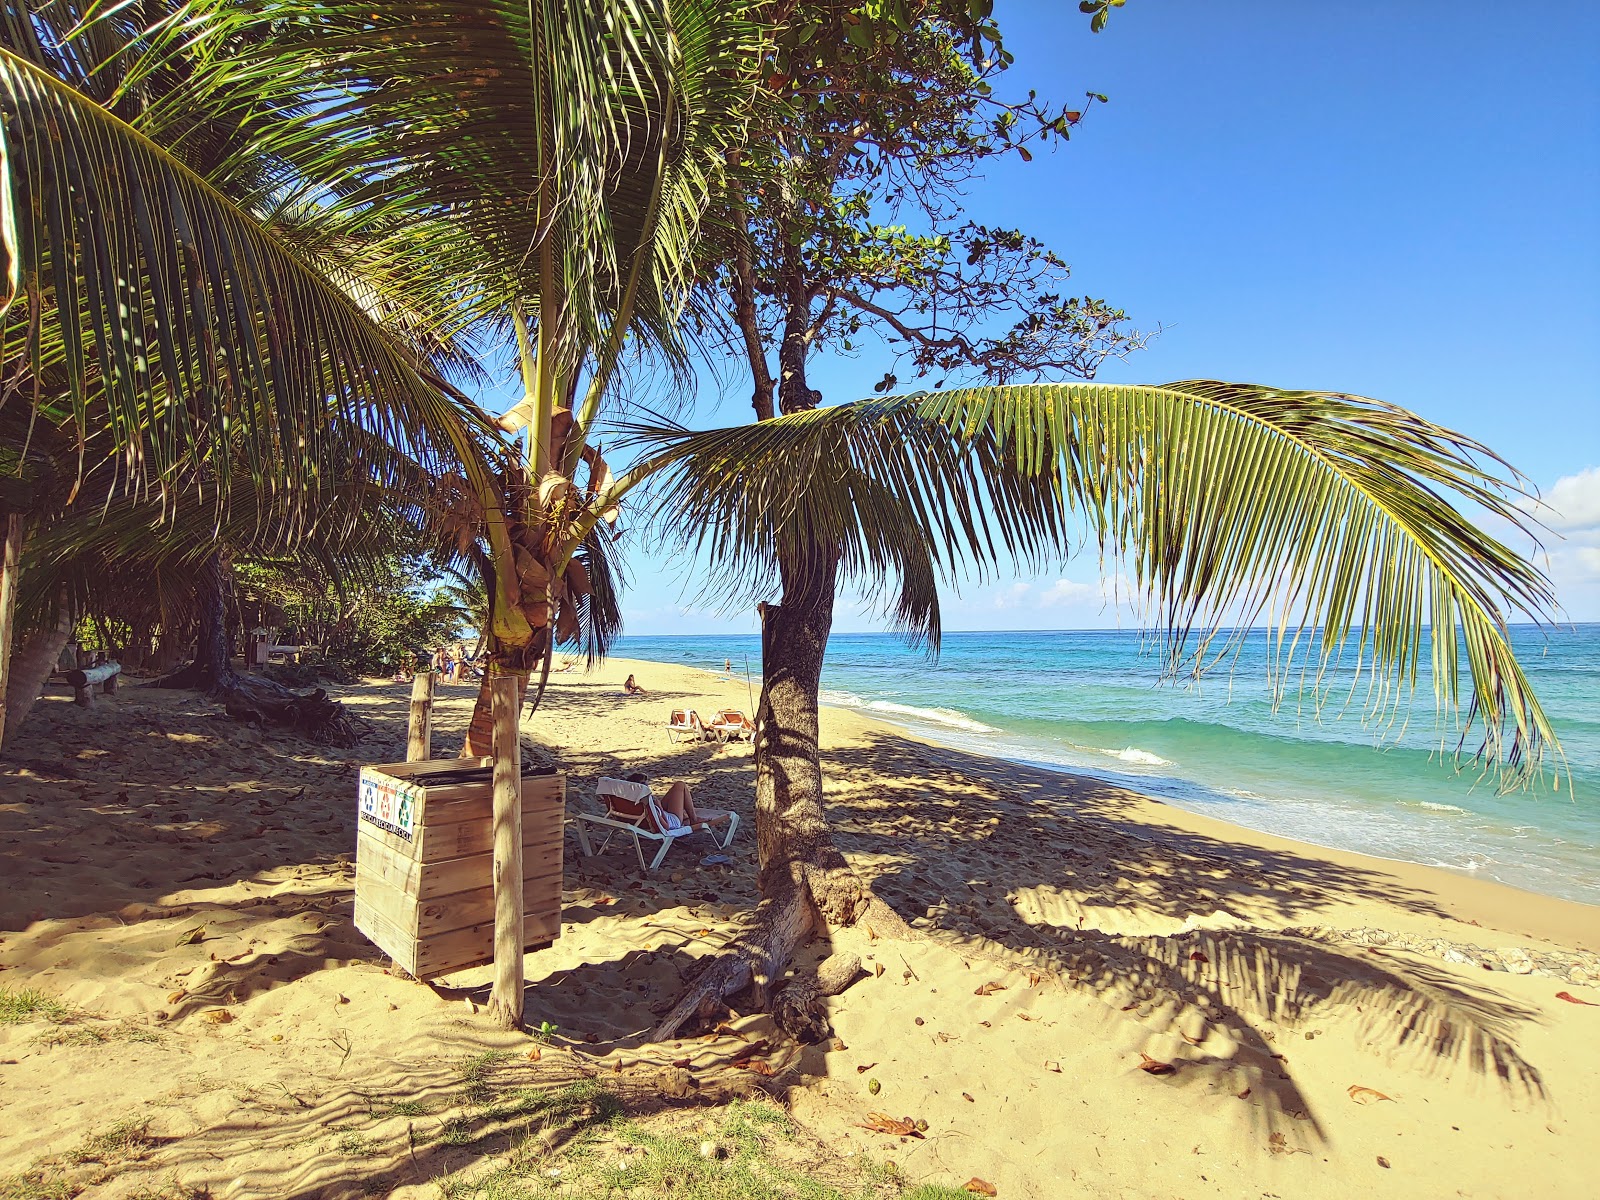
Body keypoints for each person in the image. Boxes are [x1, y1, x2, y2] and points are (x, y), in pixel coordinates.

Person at [625, 772, 729, 833]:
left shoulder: (631, 803)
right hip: (673, 821)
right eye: (644, 784)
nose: (648, 787)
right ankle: (693, 819)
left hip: (650, 818)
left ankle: (687, 816)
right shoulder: (651, 807)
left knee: (677, 789)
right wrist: (659, 807)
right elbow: (666, 827)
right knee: (680, 785)